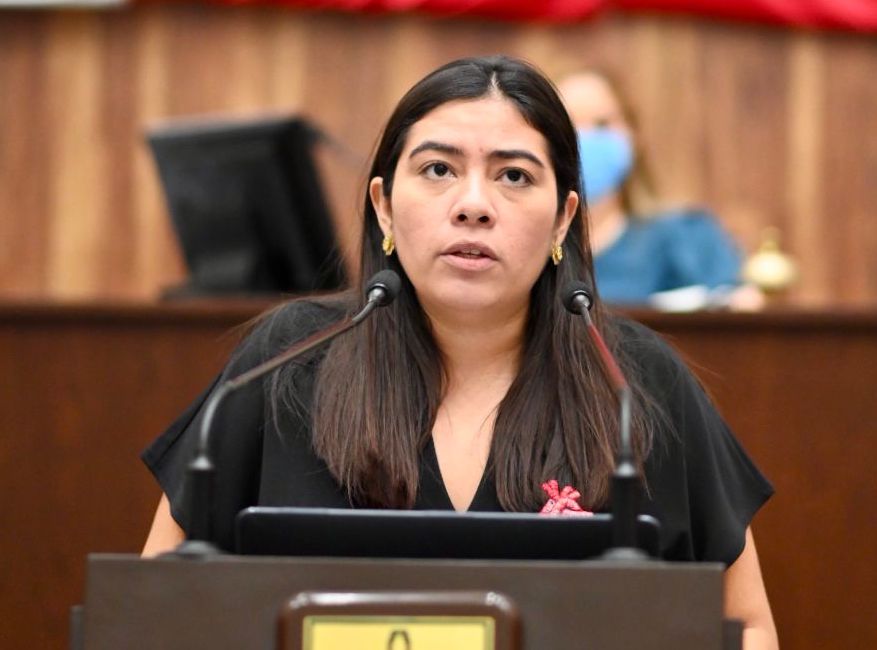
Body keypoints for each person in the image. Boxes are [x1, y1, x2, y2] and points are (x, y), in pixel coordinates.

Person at [142, 56, 778, 648]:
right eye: (438, 170)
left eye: (514, 176)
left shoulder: (634, 384)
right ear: (383, 206)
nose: (473, 205)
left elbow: (745, 624)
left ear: (563, 219)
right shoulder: (288, 360)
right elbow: (158, 603)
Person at [556, 70, 764, 310]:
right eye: (570, 126)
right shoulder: (538, 248)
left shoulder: (686, 235)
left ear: (633, 136)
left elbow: (741, 306)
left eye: (602, 124)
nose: (586, 138)